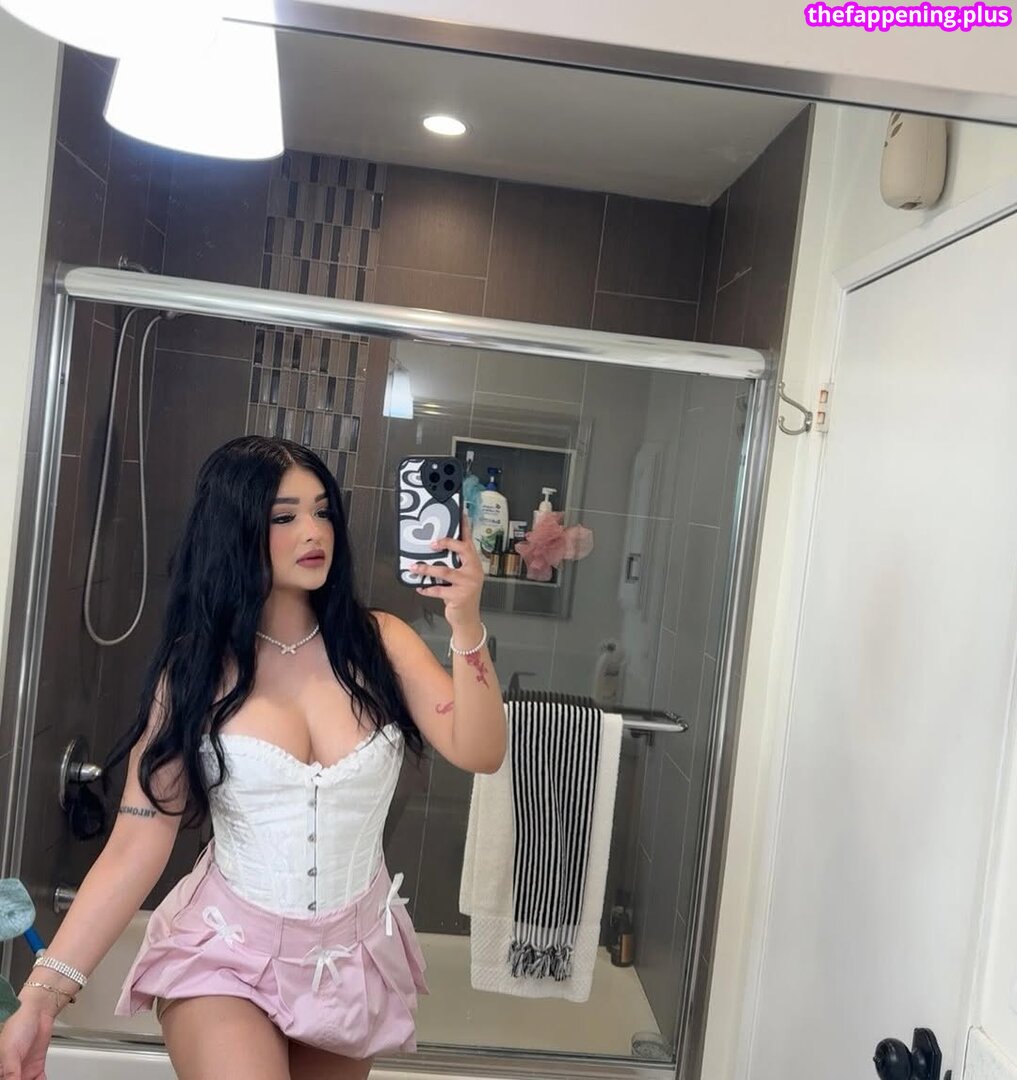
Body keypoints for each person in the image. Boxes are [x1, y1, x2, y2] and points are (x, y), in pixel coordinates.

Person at [0, 436, 506, 1080]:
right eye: (284, 516)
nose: (314, 531)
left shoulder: (381, 642)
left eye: (322, 511)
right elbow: (135, 844)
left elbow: (481, 750)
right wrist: (42, 997)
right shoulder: (196, 671)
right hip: (226, 950)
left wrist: (466, 622)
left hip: (350, 956)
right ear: (235, 528)